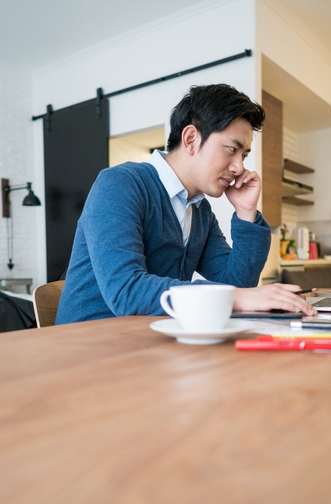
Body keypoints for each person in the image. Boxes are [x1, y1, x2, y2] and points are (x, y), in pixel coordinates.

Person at [56, 84, 315, 324]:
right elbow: (126, 290)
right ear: (190, 139)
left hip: (150, 342)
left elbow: (237, 283)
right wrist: (236, 297)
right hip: (87, 348)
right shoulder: (119, 184)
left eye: (243, 155)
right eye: (230, 149)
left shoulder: (200, 210)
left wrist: (246, 212)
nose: (239, 167)